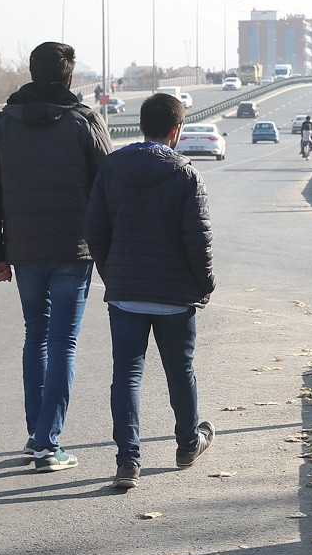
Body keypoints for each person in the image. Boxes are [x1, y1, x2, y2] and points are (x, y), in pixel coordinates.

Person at [0, 41, 113, 473]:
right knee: (63, 341)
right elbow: (109, 188)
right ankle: (47, 446)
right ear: (69, 77)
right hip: (74, 249)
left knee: (36, 335)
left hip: (24, 251)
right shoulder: (85, 122)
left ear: (32, 73)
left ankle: (38, 435)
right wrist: (112, 252)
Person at [86, 91, 216, 492]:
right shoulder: (185, 174)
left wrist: (115, 276)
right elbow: (198, 240)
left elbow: (95, 231)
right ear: (176, 130)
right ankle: (188, 444)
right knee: (180, 370)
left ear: (141, 125)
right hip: (175, 297)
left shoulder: (111, 168)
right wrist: (203, 285)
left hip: (125, 294)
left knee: (126, 374)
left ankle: (128, 461)